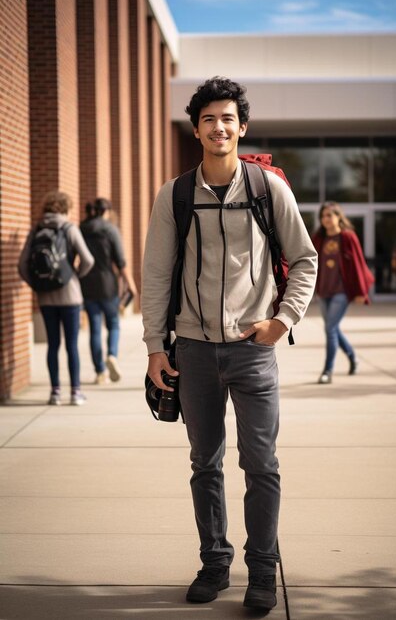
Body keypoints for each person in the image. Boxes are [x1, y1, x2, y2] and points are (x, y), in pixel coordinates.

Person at [141, 77, 317, 612]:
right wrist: (155, 347)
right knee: (205, 463)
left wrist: (281, 321)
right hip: (193, 350)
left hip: (253, 350)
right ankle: (215, 564)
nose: (219, 127)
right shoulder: (174, 194)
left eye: (228, 118)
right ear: (196, 129)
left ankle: (262, 573)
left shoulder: (268, 189)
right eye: (209, 118)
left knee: (261, 464)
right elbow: (155, 274)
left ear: (242, 127)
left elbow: (305, 259)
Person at [18, 190, 94, 405]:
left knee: (53, 344)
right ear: (65, 208)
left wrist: (37, 285)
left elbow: (22, 265)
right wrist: (74, 277)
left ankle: (55, 393)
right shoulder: (69, 228)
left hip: (45, 298)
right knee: (71, 344)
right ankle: (76, 392)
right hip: (70, 296)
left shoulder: (36, 230)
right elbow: (88, 260)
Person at [312, 202, 374, 384]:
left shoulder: (348, 237)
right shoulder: (318, 238)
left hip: (342, 291)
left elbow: (358, 264)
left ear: (339, 217)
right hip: (324, 290)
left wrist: (361, 291)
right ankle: (353, 357)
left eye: (330, 215)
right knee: (333, 328)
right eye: (323, 216)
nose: (326, 219)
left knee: (330, 328)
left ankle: (327, 371)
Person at [80, 197, 137, 384]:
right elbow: (121, 262)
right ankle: (111, 355)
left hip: (87, 285)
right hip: (108, 286)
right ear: (107, 211)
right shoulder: (110, 229)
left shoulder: (82, 229)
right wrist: (131, 285)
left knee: (94, 329)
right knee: (113, 324)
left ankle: (100, 372)